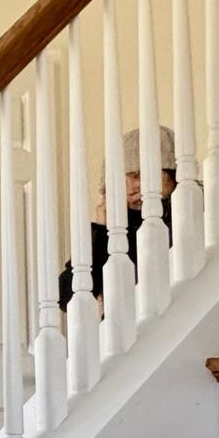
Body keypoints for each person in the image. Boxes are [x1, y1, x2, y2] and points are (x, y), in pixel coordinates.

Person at [56, 124, 176, 310]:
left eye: (139, 175)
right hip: (120, 332)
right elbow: (67, 299)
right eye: (120, 179)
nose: (131, 187)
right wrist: (101, 230)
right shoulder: (113, 226)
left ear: (171, 174)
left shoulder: (188, 212)